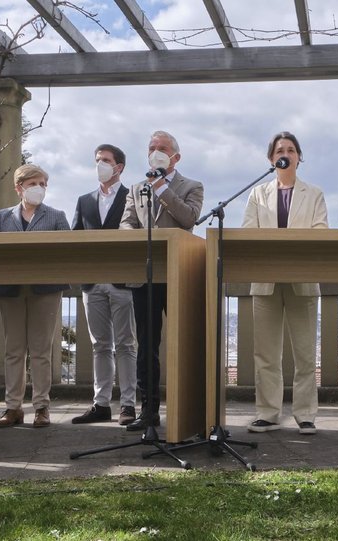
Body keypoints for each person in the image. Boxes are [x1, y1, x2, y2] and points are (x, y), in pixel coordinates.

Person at [241, 132, 329, 435]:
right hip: (265, 281)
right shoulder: (257, 194)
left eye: (291, 150)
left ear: (299, 157)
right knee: (265, 353)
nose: (286, 153)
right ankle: (268, 413)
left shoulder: (314, 193)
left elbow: (320, 232)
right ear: (271, 159)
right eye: (280, 150)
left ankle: (305, 414)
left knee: (304, 354)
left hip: (302, 280)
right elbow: (248, 233)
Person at [119, 130, 204, 431]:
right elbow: (126, 223)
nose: (156, 152)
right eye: (152, 148)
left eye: (162, 148)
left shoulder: (192, 186)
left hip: (180, 274)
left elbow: (189, 218)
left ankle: (189, 410)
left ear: (175, 157)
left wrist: (161, 188)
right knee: (147, 346)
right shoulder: (135, 188)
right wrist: (136, 236)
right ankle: (149, 412)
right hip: (146, 276)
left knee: (185, 342)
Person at [0, 164, 70, 429]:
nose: (39, 188)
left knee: (41, 350)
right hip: (10, 288)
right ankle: (12, 407)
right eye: (33, 183)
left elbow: (68, 250)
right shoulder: (1, 217)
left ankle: (41, 407)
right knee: (13, 349)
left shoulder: (57, 216)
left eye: (43, 184)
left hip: (45, 288)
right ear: (19, 187)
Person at [70, 144, 139, 426]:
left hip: (122, 282)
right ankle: (100, 404)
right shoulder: (84, 200)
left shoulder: (132, 197)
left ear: (119, 166)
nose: (100, 164)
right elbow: (76, 238)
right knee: (100, 345)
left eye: (106, 160)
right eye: (97, 160)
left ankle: (128, 405)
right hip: (92, 283)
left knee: (125, 345)